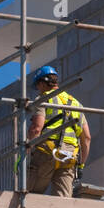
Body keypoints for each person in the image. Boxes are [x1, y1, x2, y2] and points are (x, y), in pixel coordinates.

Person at [26, 65, 90, 198]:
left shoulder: (43, 98)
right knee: (63, 200)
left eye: (38, 86)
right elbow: (87, 138)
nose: (38, 90)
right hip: (70, 156)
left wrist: (26, 151)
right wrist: (81, 165)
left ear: (42, 83)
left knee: (31, 196)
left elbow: (36, 129)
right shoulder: (76, 104)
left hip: (46, 151)